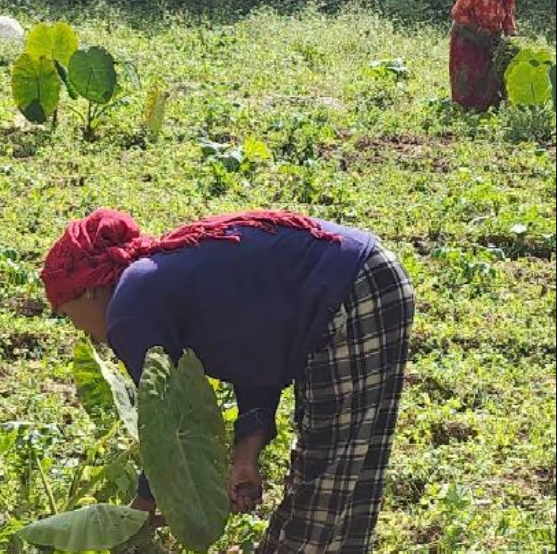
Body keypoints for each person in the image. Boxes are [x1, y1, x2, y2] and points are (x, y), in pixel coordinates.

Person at [41, 208, 414, 553]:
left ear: (89, 290)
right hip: (363, 278)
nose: (80, 328)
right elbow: (257, 353)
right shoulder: (159, 279)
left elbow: (168, 425)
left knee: (330, 472)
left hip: (352, 288)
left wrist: (143, 504)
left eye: (69, 314)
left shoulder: (128, 307)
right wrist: (245, 455)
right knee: (342, 472)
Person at [449, 0, 519, 111]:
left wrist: (513, 37)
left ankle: (484, 105)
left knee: (487, 72)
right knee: (467, 73)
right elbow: (457, 12)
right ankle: (464, 107)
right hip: (467, 37)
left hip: (489, 39)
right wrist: (478, 29)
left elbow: (508, 18)